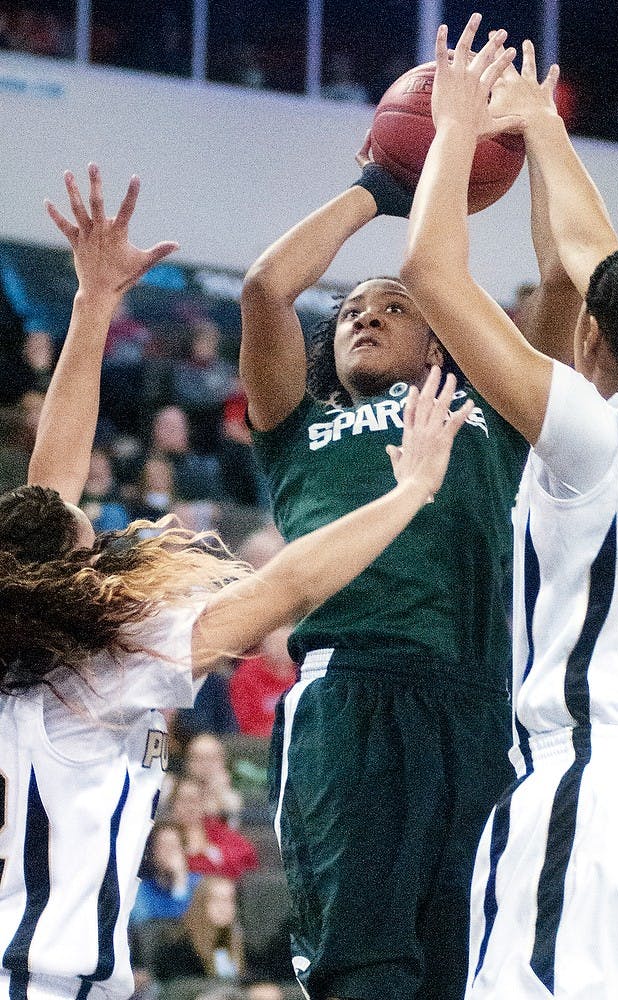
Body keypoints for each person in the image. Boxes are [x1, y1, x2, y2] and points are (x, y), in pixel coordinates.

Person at [0, 165, 474, 1000]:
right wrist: (409, 493)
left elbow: (52, 483)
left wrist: (92, 304)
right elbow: (282, 589)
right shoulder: (103, 666)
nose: (99, 529)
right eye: (88, 536)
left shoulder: (34, 649)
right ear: (60, 578)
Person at [239, 56, 580, 1000]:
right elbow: (267, 289)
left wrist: (542, 138)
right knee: (362, 969)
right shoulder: (296, 428)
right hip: (350, 695)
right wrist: (378, 188)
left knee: (471, 966)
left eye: (393, 305)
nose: (363, 315)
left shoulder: (493, 408)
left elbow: (563, 284)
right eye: (349, 310)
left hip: (478, 700)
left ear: (442, 340)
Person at [400, 16, 618, 999]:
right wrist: (541, 129)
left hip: (595, 794)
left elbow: (431, 279)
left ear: (591, 349)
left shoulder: (593, 434)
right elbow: (598, 263)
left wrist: (451, 132)